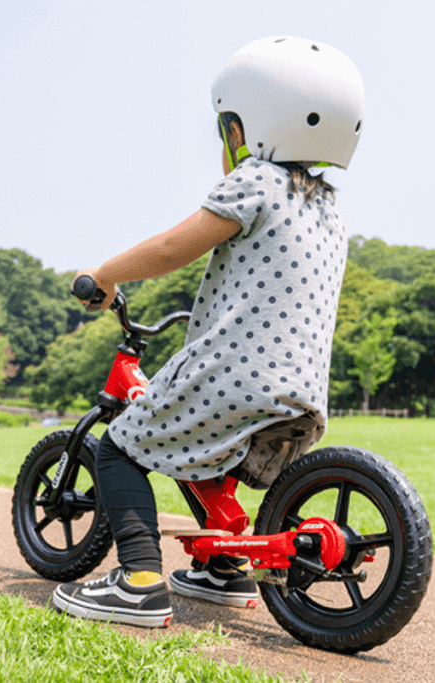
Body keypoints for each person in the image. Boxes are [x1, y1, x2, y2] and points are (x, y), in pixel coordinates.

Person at [52, 36, 365, 629]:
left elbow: (174, 246)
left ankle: (139, 582)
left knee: (121, 445)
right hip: (301, 392)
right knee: (198, 453)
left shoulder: (256, 182)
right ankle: (225, 570)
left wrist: (104, 275)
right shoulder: (328, 209)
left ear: (249, 124)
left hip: (237, 373)